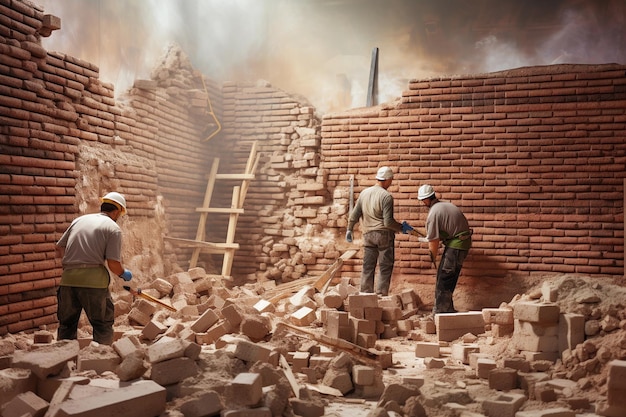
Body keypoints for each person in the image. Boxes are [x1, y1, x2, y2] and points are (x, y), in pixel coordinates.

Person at [55, 191, 133, 345]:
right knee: (102, 325)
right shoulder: (113, 228)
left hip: (68, 280)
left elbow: (59, 247)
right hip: (94, 283)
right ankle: (102, 361)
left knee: (66, 325)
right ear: (117, 211)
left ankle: (63, 362)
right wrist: (124, 274)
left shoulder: (79, 220)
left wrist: (70, 263)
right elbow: (113, 263)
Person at [346, 166, 413, 296]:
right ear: (387, 179)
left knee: (368, 266)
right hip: (383, 235)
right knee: (385, 267)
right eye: (391, 180)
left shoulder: (364, 193)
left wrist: (349, 229)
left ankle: (365, 295)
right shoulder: (386, 196)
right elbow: (387, 222)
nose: (391, 182)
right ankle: (381, 295)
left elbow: (354, 215)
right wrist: (401, 227)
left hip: (368, 235)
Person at [417, 184, 472, 314]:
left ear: (426, 200)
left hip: (457, 244)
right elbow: (445, 231)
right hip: (461, 243)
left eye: (422, 201)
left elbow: (434, 242)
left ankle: (440, 312)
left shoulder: (433, 213)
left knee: (444, 278)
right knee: (449, 277)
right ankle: (448, 308)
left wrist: (433, 259)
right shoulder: (444, 206)